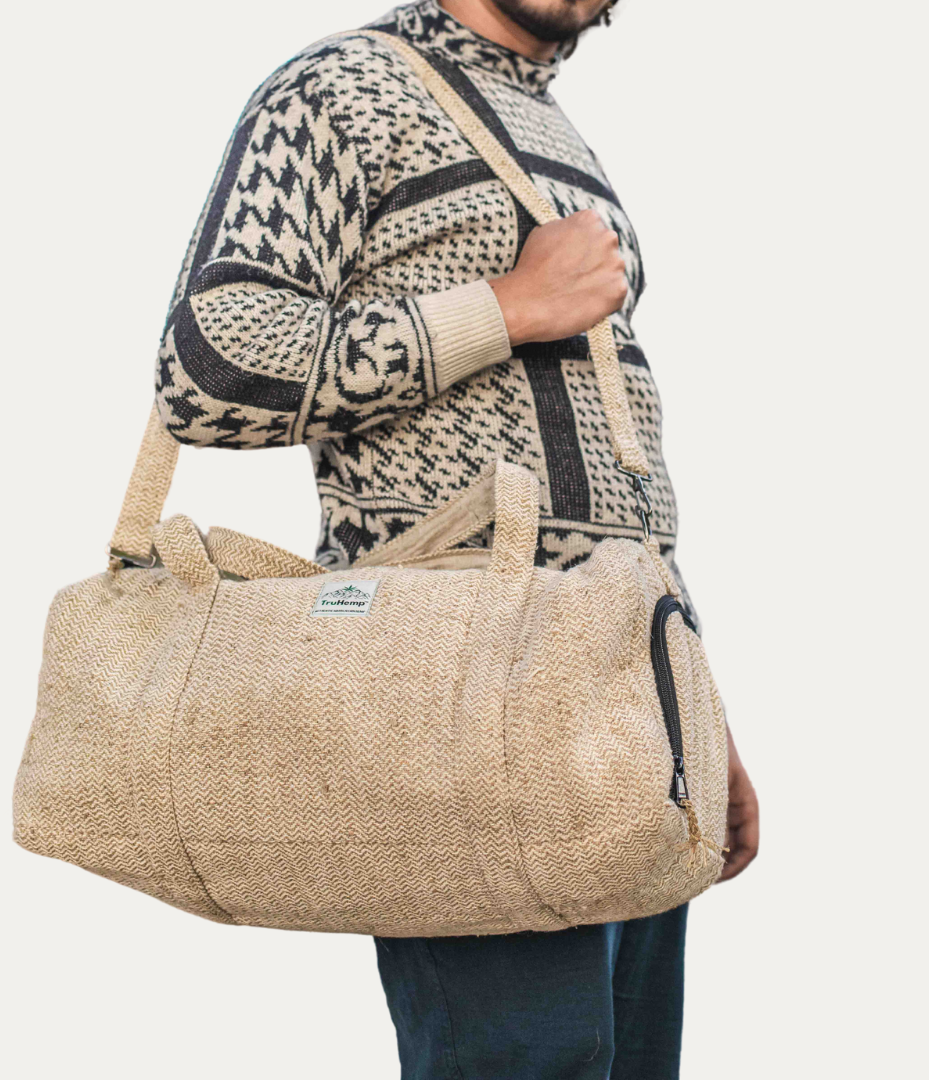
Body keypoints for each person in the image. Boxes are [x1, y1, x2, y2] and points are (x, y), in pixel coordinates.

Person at [154, 0, 759, 1075]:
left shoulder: (552, 130)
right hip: (453, 694)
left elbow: (614, 456)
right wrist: (510, 305)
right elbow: (211, 368)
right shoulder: (341, 91)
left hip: (617, 708)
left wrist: (691, 703)